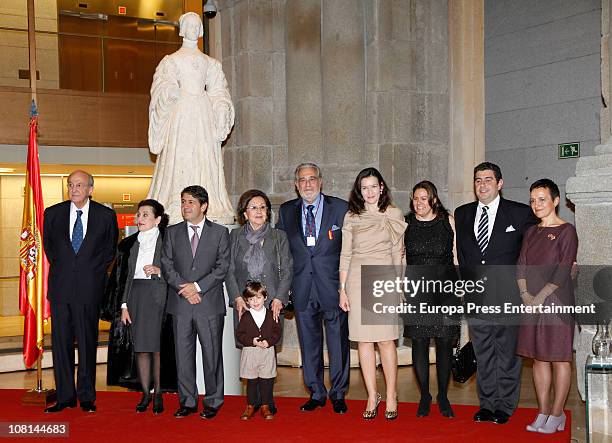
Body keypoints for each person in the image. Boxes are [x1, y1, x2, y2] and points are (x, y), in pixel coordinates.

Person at [454, 162, 537, 425]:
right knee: (484, 352)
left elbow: (532, 253)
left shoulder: (520, 213)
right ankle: (487, 405)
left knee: (507, 354)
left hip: (509, 296)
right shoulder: (463, 213)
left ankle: (505, 406)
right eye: (478, 180)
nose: (483, 185)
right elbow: (464, 255)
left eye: (488, 180)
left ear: (499, 183)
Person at [147, 12, 235, 225]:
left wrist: (222, 108)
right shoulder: (171, 61)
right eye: (189, 25)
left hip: (203, 114)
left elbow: (218, 90)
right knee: (181, 155)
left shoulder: (210, 63)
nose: (193, 28)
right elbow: (161, 85)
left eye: (197, 25)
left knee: (204, 157)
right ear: (182, 29)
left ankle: (208, 204)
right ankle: (177, 203)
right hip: (181, 113)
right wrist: (169, 92)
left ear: (201, 30)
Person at [276, 162, 350, 414]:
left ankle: (338, 394)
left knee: (338, 342)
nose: (307, 184)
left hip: (333, 288)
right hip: (302, 287)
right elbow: (282, 253)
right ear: (296, 185)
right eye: (302, 180)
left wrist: (346, 287)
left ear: (321, 181)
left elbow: (350, 250)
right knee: (309, 343)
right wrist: (283, 288)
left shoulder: (340, 208)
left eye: (312, 179)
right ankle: (316, 392)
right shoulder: (286, 212)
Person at [43, 170, 118, 413]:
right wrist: (68, 268)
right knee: (61, 345)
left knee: (87, 344)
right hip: (61, 289)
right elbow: (50, 249)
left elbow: (109, 251)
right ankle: (65, 397)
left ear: (90, 189)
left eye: (79, 185)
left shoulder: (105, 216)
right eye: (71, 185)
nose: (74, 189)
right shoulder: (52, 214)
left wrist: (89, 271)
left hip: (89, 289)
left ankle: (86, 397)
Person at [338, 167, 406, 420]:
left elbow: (399, 255)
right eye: (364, 187)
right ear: (359, 190)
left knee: (386, 340)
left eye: (373, 186)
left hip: (384, 278)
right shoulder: (351, 216)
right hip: (356, 279)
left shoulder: (393, 214)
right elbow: (345, 254)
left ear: (382, 188)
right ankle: (371, 395)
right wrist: (342, 289)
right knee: (364, 341)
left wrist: (399, 288)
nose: (369, 192)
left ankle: (391, 395)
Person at [161, 185, 230, 419]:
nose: (185, 206)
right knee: (183, 356)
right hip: (180, 304)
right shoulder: (172, 232)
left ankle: (213, 401)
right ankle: (188, 401)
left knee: (212, 355)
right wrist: (186, 289)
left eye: (190, 202)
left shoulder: (220, 233)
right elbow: (167, 266)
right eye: (183, 201)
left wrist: (198, 287)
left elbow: (222, 267)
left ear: (204, 206)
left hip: (209, 304)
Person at [515, 179, 578, 434]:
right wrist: (525, 295)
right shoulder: (531, 232)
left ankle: (557, 413)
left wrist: (537, 298)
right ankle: (543, 411)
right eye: (532, 200)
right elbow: (520, 264)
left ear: (555, 201)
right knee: (538, 358)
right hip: (530, 302)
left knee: (559, 358)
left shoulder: (567, 231)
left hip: (556, 303)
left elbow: (563, 270)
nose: (536, 204)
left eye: (541, 199)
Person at [225, 189, 293, 413]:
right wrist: (236, 297)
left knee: (267, 352)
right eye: (254, 207)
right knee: (248, 352)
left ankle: (267, 402)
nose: (259, 211)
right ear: (244, 213)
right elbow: (230, 270)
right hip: (245, 305)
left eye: (263, 207)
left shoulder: (279, 236)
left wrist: (280, 298)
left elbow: (288, 270)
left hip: (271, 304)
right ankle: (251, 403)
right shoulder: (235, 237)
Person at [104, 199, 171, 414]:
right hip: (135, 297)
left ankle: (159, 392)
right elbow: (122, 278)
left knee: (157, 348)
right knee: (141, 347)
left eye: (145, 215)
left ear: (157, 219)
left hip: (159, 296)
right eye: (139, 214)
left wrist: (160, 270)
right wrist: (123, 305)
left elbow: (178, 270)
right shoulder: (128, 244)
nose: (139, 218)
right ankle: (145, 393)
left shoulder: (168, 242)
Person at [403, 180, 459, 418]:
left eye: (423, 198)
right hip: (416, 290)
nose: (419, 203)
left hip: (446, 290)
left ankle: (443, 396)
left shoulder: (448, 222)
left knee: (445, 343)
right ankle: (425, 394)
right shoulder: (406, 224)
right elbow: (402, 258)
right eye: (416, 198)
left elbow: (456, 255)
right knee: (420, 343)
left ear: (433, 199)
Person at [235, 282, 282, 420]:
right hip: (250, 352)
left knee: (266, 380)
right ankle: (251, 405)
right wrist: (252, 341)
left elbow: (277, 332)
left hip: (267, 352)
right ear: (247, 301)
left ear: (265, 297)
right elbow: (239, 334)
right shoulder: (245, 317)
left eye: (258, 298)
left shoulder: (271, 315)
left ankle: (265, 406)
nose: (255, 302)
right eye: (251, 299)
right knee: (251, 381)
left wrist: (269, 341)